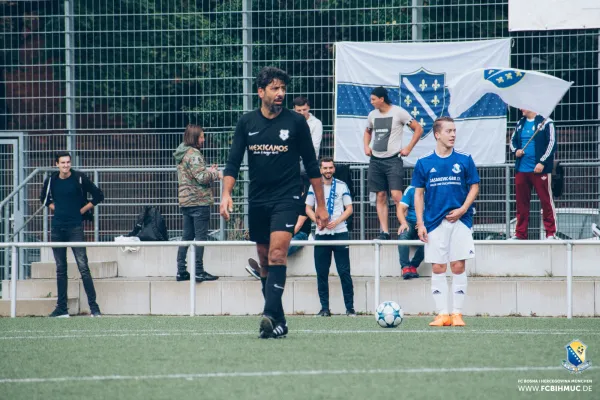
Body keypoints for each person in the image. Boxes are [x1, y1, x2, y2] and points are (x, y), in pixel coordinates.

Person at [221, 66, 328, 339]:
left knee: (278, 254)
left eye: (283, 89)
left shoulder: (296, 122)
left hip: (287, 196)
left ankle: (268, 314)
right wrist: (226, 194)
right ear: (261, 92)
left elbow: (313, 166)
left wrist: (322, 205)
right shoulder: (247, 123)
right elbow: (233, 163)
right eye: (275, 88)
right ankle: (279, 321)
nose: (281, 93)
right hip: (257, 199)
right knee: (265, 261)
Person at [412, 117, 480, 327]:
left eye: (454, 131)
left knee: (458, 266)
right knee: (439, 267)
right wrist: (421, 223)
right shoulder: (424, 162)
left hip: (460, 221)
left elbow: (474, 187)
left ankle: (457, 313)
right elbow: (418, 195)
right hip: (433, 222)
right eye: (448, 131)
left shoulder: (465, 159)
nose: (453, 135)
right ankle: (442, 314)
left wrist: (462, 209)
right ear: (437, 134)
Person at [39, 151, 104, 318]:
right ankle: (62, 309)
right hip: (57, 229)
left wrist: (81, 210)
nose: (66, 165)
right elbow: (44, 200)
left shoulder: (79, 178)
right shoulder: (51, 180)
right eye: (62, 163)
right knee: (61, 269)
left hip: (75, 228)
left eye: (68, 162)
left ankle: (94, 308)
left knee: (83, 267)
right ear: (56, 164)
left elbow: (98, 195)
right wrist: (59, 210)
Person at [364, 86, 424, 240]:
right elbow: (367, 131)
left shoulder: (399, 112)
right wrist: (366, 145)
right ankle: (384, 232)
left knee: (397, 196)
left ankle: (404, 228)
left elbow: (418, 129)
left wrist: (408, 148)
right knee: (380, 196)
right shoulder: (372, 115)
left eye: (373, 99)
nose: (371, 102)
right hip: (376, 160)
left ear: (381, 99)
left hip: (393, 159)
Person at [306, 157, 355, 317]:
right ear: (320, 170)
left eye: (330, 168)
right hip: (321, 235)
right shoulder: (315, 186)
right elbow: (307, 208)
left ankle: (350, 309)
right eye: (325, 168)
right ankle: (324, 309)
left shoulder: (341, 185)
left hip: (340, 233)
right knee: (321, 273)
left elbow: (349, 209)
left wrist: (337, 221)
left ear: (334, 169)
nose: (328, 171)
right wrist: (317, 221)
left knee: (344, 272)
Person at [173, 124, 220, 282]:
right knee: (200, 238)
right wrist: (214, 173)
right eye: (201, 136)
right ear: (194, 137)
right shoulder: (194, 154)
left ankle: (181, 270)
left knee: (186, 237)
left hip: (186, 201)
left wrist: (208, 171)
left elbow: (194, 174)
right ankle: (199, 271)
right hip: (199, 201)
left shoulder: (182, 153)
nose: (203, 139)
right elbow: (201, 178)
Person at [510, 109, 557, 240]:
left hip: (539, 170)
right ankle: (520, 233)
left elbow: (552, 144)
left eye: (523, 106)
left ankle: (550, 232)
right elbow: (512, 141)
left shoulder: (546, 122)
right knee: (521, 203)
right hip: (522, 170)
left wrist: (542, 162)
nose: (520, 109)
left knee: (546, 201)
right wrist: (516, 151)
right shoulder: (520, 123)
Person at [397, 185, 423, 280]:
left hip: (426, 224)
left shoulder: (433, 187)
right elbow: (400, 209)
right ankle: (405, 267)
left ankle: (413, 266)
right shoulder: (411, 189)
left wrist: (424, 224)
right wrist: (403, 223)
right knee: (403, 234)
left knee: (431, 238)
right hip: (411, 223)